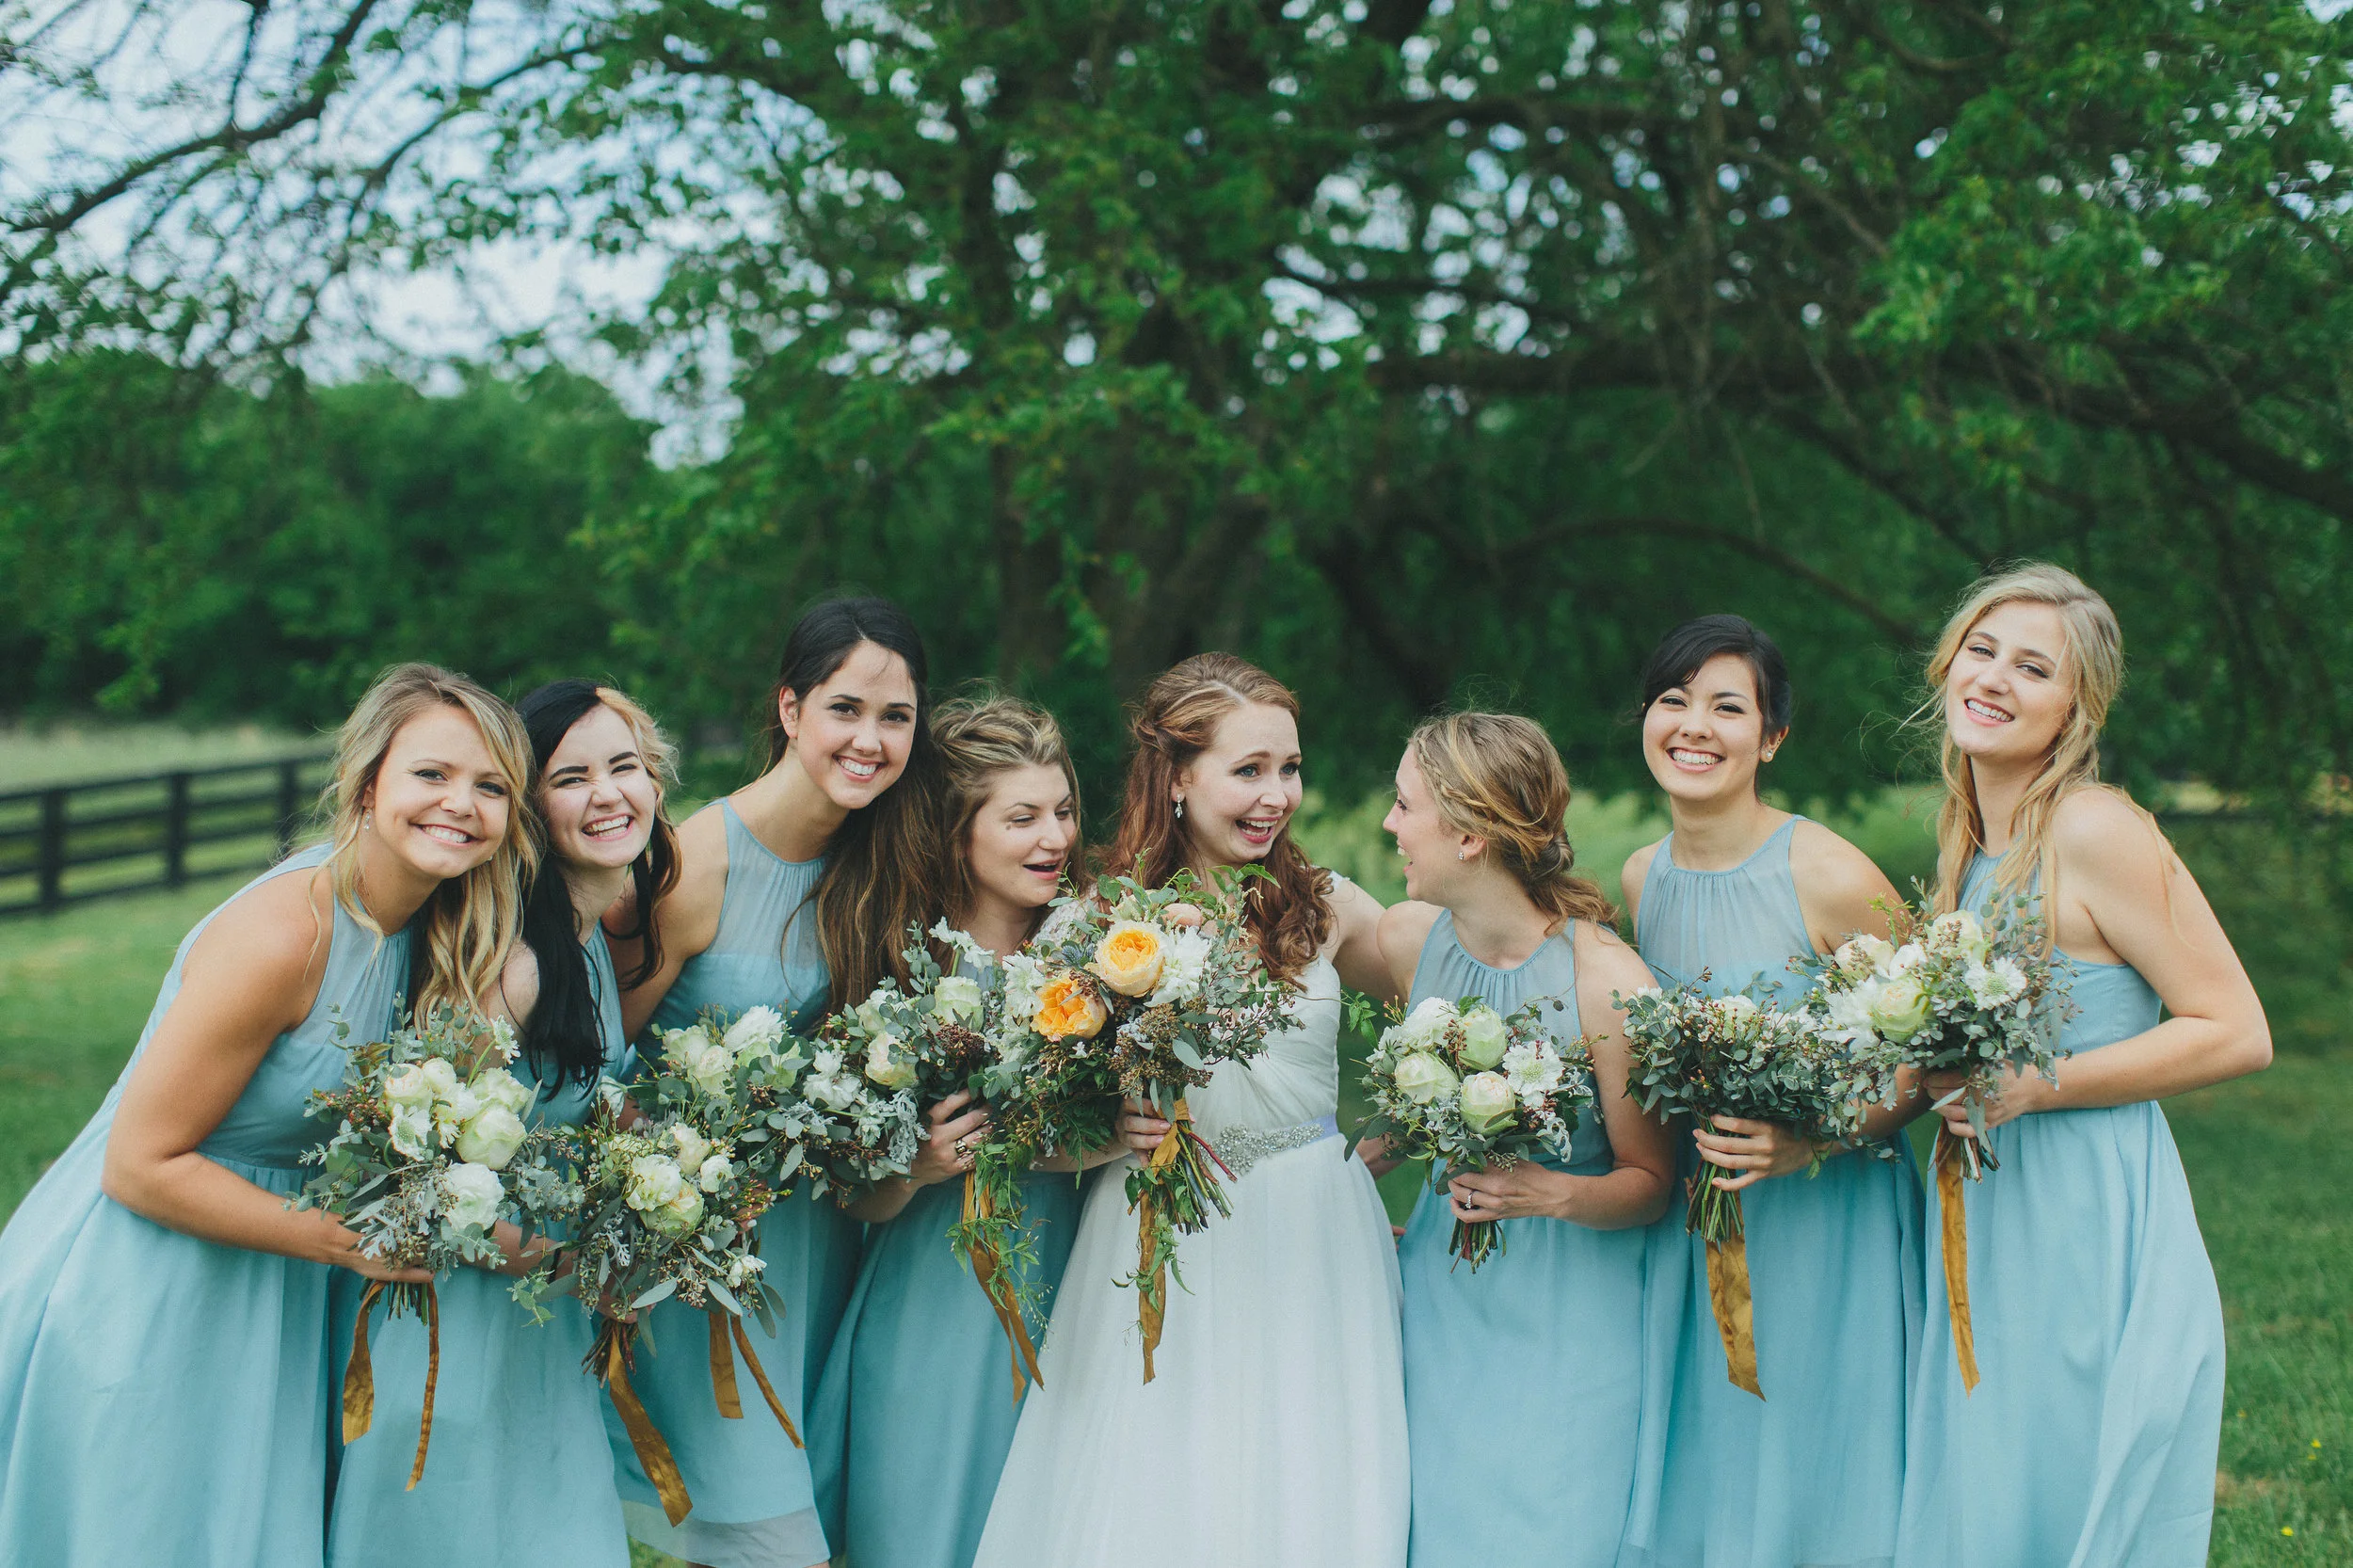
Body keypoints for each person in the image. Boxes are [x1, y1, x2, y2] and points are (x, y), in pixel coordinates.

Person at [0, 663, 532, 1565]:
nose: (461, 804)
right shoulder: (286, 936)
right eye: (432, 775)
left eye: (491, 787)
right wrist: (345, 1242)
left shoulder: (434, 935)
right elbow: (139, 1164)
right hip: (157, 1276)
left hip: (277, 1286)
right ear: (369, 786)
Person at [975, 653, 1410, 1568]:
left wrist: (1404, 1132)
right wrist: (1094, 1141)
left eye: (1288, 768)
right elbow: (1015, 1129)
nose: (1276, 794)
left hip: (1314, 1236)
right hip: (1160, 1228)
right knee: (1162, 1485)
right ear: (1176, 776)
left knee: (1311, 1481)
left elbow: (1456, 995)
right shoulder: (1094, 925)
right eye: (1248, 770)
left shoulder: (1323, 907)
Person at [1895, 562, 2270, 1568]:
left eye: (2032, 667)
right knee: (1993, 1479)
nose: (1994, 678)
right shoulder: (1972, 841)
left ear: (2074, 709)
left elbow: (2236, 1027)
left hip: (2081, 1215)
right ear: (1946, 663)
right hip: (1988, 1209)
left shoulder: (2092, 829)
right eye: (1981, 651)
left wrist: (2033, 1084)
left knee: (2060, 1471)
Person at [606, 598, 942, 1568]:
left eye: (896, 717)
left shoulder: (884, 863)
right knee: (771, 1542)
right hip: (712, 1259)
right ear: (789, 708)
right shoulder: (688, 866)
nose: (871, 739)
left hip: (833, 1241)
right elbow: (591, 1062)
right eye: (846, 708)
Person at [327, 679, 680, 1566]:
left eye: (626, 767)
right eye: (571, 778)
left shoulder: (591, 936)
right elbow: (421, 1173)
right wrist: (574, 1259)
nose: (608, 795)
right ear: (528, 811)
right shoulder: (513, 963)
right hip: (454, 1332)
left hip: (535, 1326)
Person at [1613, 616, 1925, 1568]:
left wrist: (1812, 1138)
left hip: (1830, 1225)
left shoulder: (1829, 875)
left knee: (1821, 1454)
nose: (1693, 726)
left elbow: (1925, 1053)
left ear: (1772, 737)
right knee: (1713, 1458)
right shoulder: (1641, 877)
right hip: (1700, 1220)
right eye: (1673, 700)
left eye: (1727, 707)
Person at [1372, 711, 1675, 1568]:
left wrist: (1553, 1193)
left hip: (1569, 1315)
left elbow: (1652, 1179)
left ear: (1468, 834)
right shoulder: (1408, 940)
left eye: (1404, 805)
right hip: (1443, 1301)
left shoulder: (1607, 981)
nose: (1389, 824)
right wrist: (1337, 1164)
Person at [813, 694, 1090, 1568]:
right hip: (937, 1296)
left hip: (1081, 1280)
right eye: (1023, 818)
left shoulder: (1105, 957)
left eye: (1064, 811)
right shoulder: (892, 969)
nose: (1056, 838)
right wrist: (918, 1164)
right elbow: (856, 1198)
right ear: (954, 830)